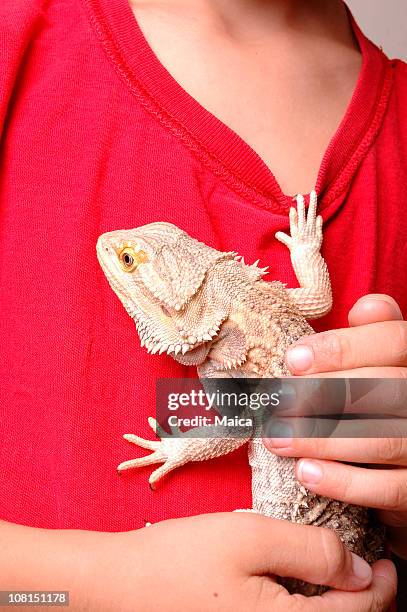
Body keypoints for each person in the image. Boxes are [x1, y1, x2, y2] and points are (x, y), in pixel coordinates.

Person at [0, 0, 405, 609]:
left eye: (139, 261)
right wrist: (92, 585)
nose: (114, 250)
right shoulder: (23, 37)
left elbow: (253, 413)